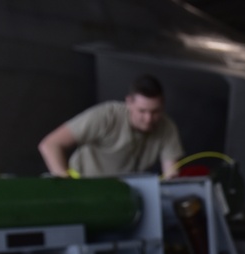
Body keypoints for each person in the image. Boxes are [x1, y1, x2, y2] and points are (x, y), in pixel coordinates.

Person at [38, 74, 183, 178]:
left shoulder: (167, 127)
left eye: (155, 112)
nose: (148, 119)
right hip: (82, 182)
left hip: (123, 191)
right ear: (129, 102)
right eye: (142, 111)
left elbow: (171, 174)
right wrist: (66, 184)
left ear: (163, 105)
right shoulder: (106, 116)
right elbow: (50, 145)